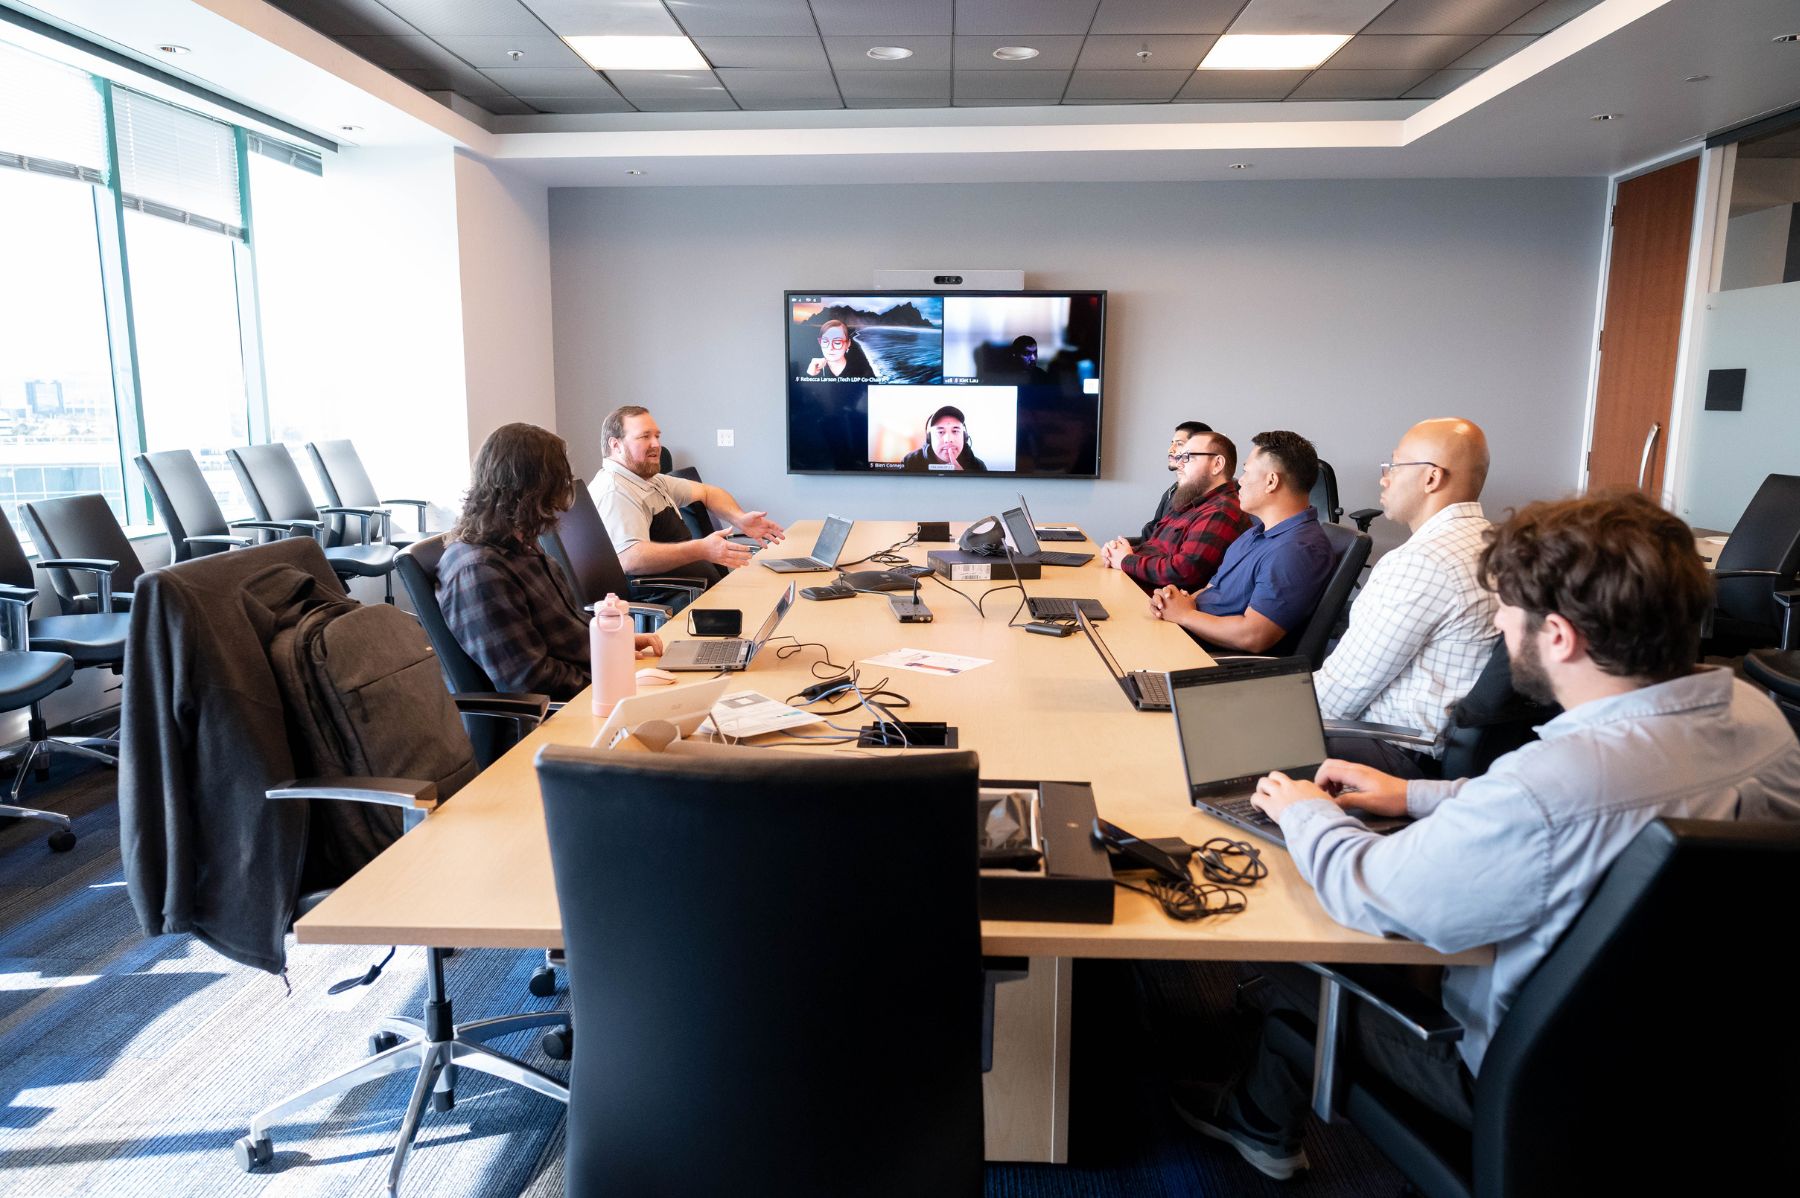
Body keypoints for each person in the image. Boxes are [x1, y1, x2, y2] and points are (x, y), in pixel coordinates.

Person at [1173, 491, 1800, 1180]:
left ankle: (1260, 1125)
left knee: (1295, 955)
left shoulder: (1550, 783)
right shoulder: (1761, 715)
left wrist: (1302, 811)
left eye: (1506, 607)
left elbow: (1372, 894)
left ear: (1560, 636)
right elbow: (1580, 807)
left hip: (1531, 1085)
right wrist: (1412, 793)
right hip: (1720, 1072)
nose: (1498, 622)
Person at [1313, 418, 1499, 778]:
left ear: (1431, 478)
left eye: (1393, 466)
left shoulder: (1421, 562)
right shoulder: (1499, 545)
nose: (1384, 478)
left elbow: (1340, 694)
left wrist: (1264, 718)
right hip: (1451, 758)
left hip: (1394, 752)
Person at [438, 423, 662, 702]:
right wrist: (611, 679)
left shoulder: (522, 544)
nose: (561, 498)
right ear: (530, 490)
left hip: (599, 687)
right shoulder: (479, 571)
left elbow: (566, 629)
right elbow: (529, 679)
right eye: (557, 483)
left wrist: (613, 645)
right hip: (565, 713)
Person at [1147, 431, 1334, 655]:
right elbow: (1212, 589)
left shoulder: (1296, 550)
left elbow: (1253, 636)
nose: (1240, 482)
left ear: (1271, 481)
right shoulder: (1255, 533)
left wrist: (1185, 615)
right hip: (1189, 633)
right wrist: (1174, 602)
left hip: (1209, 658)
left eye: (1245, 472)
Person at [590, 405, 785, 587]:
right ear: (616, 445)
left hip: (699, 592)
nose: (656, 444)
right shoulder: (615, 491)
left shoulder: (650, 480)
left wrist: (739, 518)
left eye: (657, 436)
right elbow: (631, 559)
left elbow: (708, 492)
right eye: (644, 437)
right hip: (673, 603)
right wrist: (701, 549)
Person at [1100, 430, 1250, 592]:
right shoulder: (1190, 501)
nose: (1179, 464)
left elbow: (1184, 571)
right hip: (1130, 585)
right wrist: (1115, 553)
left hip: (1151, 603)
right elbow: (1154, 548)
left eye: (1188, 457)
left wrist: (1126, 560)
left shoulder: (1221, 511)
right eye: (1180, 457)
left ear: (1217, 464)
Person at [1139, 420, 1214, 541]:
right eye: (1172, 443)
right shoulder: (1173, 490)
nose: (1170, 449)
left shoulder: (1202, 496)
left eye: (1179, 444)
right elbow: (1153, 532)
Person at [899, 405, 988, 472]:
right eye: (940, 432)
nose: (948, 439)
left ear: (964, 436)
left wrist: (963, 479)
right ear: (929, 438)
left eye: (955, 431)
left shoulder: (977, 466)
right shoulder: (910, 462)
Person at [804, 320, 876, 380]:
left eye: (837, 342)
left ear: (848, 344)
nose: (830, 347)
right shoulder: (812, 369)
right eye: (825, 341)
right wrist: (810, 376)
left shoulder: (862, 372)